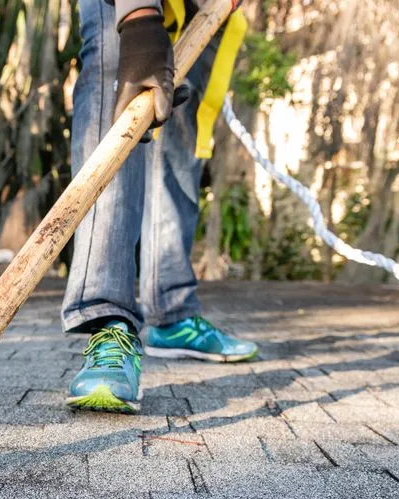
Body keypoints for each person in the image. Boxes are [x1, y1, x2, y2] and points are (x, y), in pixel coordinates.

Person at [64, 0, 258, 414]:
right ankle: (108, 321)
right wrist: (140, 20)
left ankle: (173, 313)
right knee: (116, 77)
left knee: (178, 125)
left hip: (201, 8)